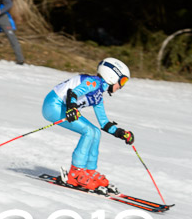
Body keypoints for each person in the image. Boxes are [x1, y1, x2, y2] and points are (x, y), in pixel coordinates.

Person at [42, 58, 134, 191]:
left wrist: (120, 133)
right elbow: (73, 93)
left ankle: (89, 171)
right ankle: (75, 173)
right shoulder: (94, 82)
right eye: (123, 81)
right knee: (88, 131)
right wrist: (72, 108)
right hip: (54, 105)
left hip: (64, 107)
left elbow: (104, 122)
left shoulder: (98, 94)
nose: (122, 86)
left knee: (96, 131)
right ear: (112, 76)